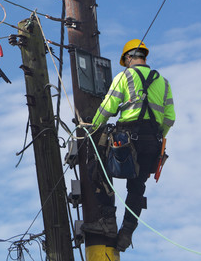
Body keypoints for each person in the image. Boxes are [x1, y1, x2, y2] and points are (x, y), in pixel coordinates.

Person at [83, 39, 175, 252]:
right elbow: (170, 118)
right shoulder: (164, 82)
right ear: (143, 56)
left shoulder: (124, 76)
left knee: (97, 167)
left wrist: (92, 127)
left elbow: (108, 107)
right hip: (152, 142)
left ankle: (108, 220)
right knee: (137, 186)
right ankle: (127, 232)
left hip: (126, 138)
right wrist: (157, 135)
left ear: (128, 58)